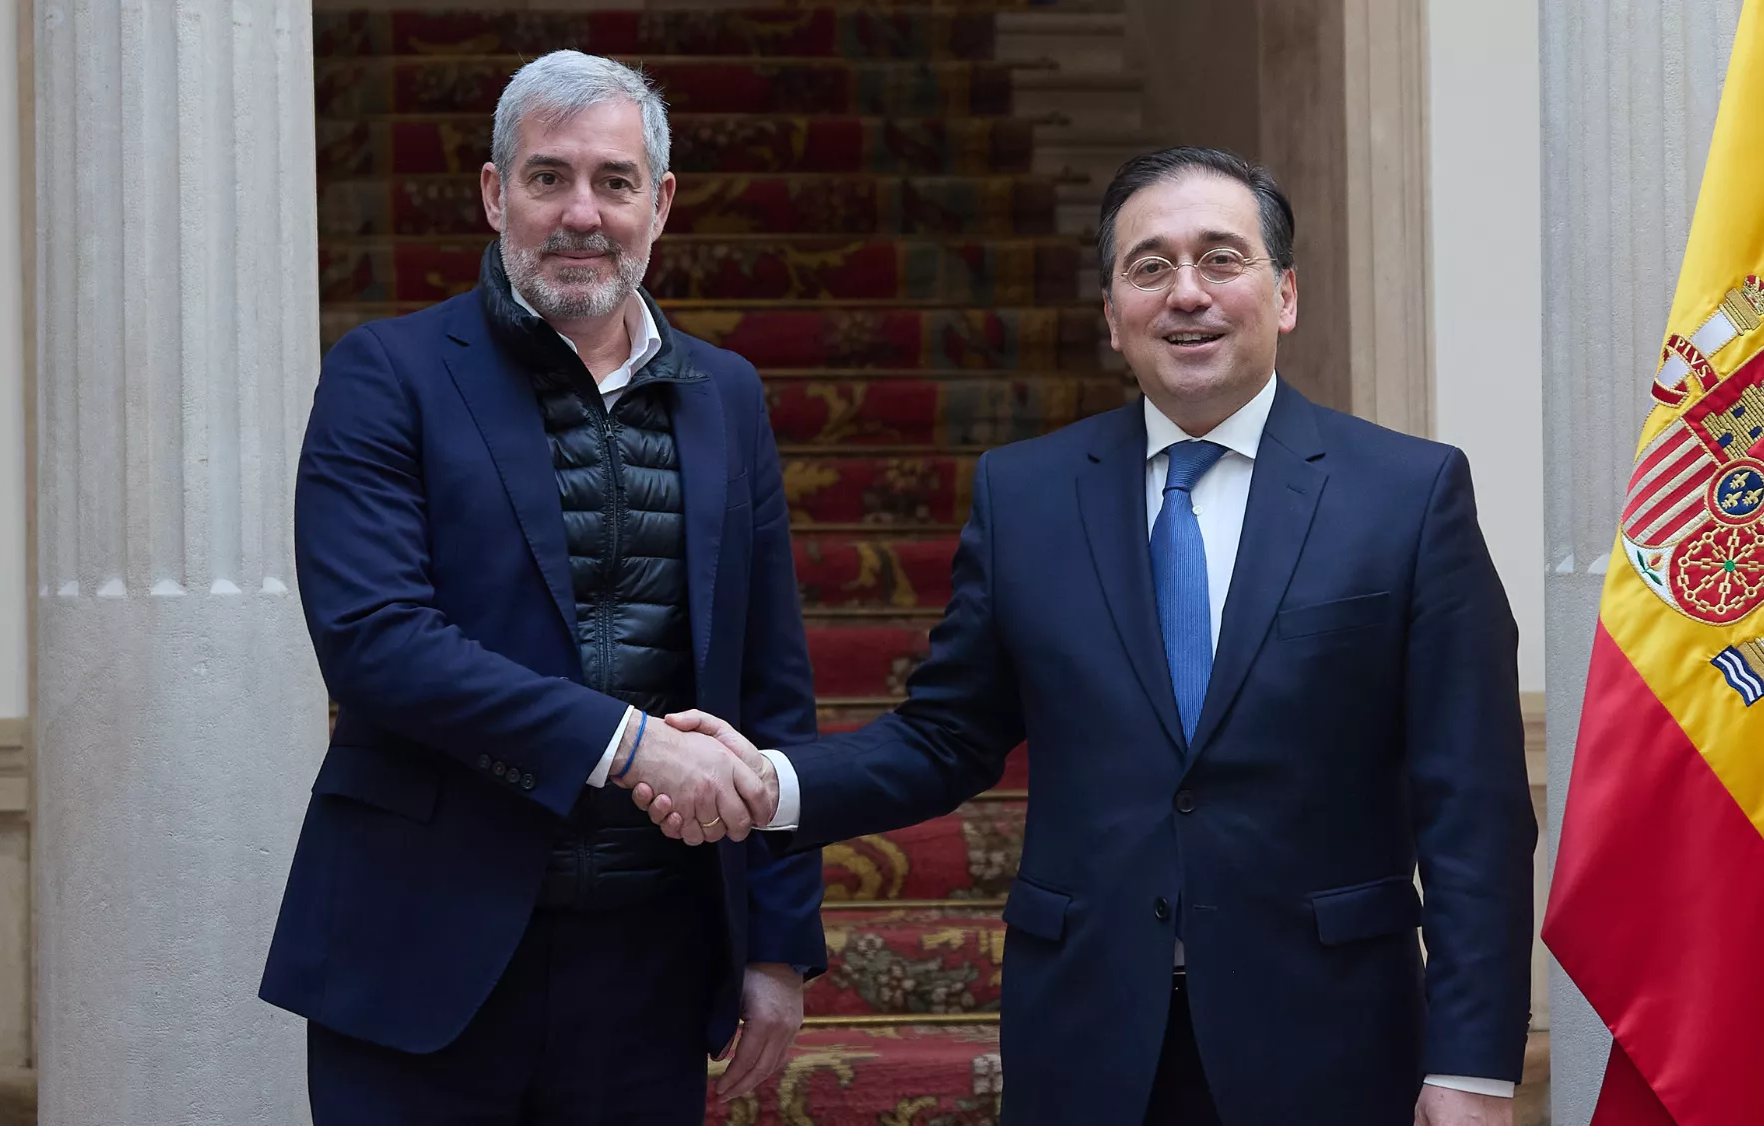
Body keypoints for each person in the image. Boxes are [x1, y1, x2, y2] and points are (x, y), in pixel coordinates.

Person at [646, 148, 1537, 1125]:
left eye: (1220, 259)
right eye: (1148, 267)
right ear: (1112, 316)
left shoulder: (1407, 497)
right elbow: (947, 736)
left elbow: (1474, 812)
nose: (1185, 293)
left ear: (1282, 294)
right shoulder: (1025, 495)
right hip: (1087, 1043)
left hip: (1331, 1041)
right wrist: (770, 787)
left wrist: (1474, 1067)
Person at [259, 50, 823, 1124]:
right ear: (492, 193)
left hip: (651, 961)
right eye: (546, 177)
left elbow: (768, 680)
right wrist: (630, 742)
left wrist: (780, 939)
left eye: (613, 182)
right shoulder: (387, 373)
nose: (580, 213)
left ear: (658, 204)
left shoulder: (727, 396)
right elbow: (376, 641)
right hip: (421, 947)